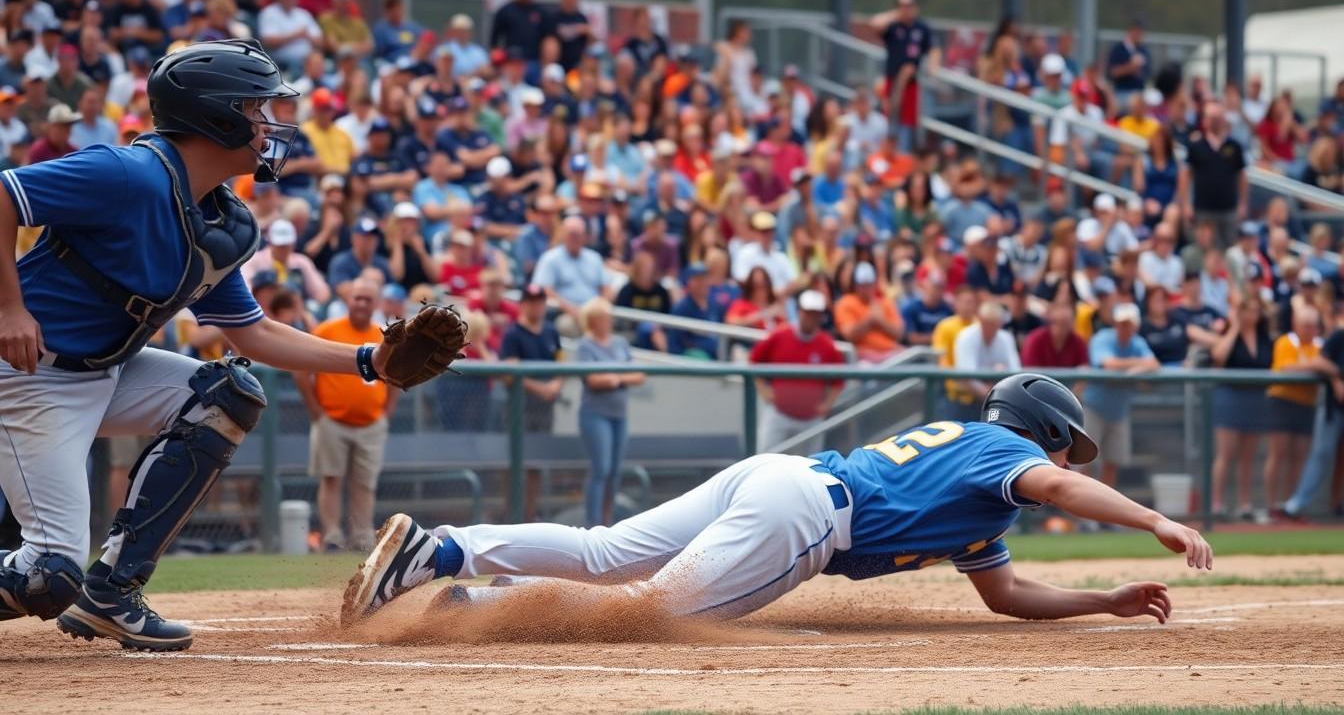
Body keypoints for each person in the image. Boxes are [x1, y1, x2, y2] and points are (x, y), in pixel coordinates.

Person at [0, 40, 459, 652]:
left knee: (226, 392)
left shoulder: (224, 220)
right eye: (256, 107)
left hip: (98, 372)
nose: (271, 124)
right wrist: (9, 306)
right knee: (46, 576)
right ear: (213, 114)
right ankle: (75, 584)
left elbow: (253, 332)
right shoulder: (127, 172)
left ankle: (112, 593)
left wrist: (368, 362)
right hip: (26, 377)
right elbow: (4, 194)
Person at [343, 373, 1213, 629]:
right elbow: (1056, 480)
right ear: (1038, 427)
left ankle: (443, 551)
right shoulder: (1010, 452)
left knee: (608, 551)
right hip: (807, 516)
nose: (1063, 456)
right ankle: (471, 602)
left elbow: (1007, 595)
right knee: (650, 612)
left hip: (782, 478)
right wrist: (1156, 520)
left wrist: (1106, 600)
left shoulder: (977, 487)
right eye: (1062, 438)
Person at [293, 278, 397, 552]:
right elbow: (301, 369)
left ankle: (362, 537)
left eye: (367, 299)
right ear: (348, 300)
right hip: (331, 419)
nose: (362, 303)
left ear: (376, 304)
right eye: (357, 298)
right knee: (331, 478)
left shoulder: (384, 335)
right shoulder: (327, 329)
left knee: (365, 483)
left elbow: (398, 375)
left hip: (372, 422)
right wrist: (315, 411)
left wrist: (387, 412)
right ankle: (332, 537)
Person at [749, 290, 845, 454]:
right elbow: (754, 361)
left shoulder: (827, 345)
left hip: (810, 418)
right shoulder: (780, 335)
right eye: (808, 313)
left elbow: (839, 378)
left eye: (815, 314)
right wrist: (764, 390)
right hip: (779, 413)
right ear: (799, 311)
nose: (811, 318)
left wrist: (828, 403)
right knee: (764, 462)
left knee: (811, 467)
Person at [576, 297, 642, 528]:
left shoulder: (620, 343)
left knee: (614, 471)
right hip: (595, 413)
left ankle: (607, 521)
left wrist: (614, 378)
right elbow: (593, 380)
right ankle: (593, 524)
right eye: (602, 318)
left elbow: (639, 375)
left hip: (619, 414)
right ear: (592, 321)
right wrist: (619, 377)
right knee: (601, 468)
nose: (607, 322)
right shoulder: (585, 345)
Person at [500, 284, 562, 521]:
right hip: (520, 407)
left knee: (538, 462)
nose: (535, 305)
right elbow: (508, 371)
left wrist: (555, 385)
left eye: (539, 300)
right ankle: (511, 513)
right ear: (523, 303)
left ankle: (529, 514)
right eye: (531, 300)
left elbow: (560, 362)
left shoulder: (551, 332)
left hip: (545, 408)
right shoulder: (513, 333)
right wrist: (542, 388)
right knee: (515, 462)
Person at [1083, 302, 1159, 489]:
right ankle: (1084, 516)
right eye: (1121, 323)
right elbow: (1108, 364)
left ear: (1135, 325)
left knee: (1112, 462)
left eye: (1128, 323)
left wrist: (1135, 367)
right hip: (1094, 409)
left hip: (1119, 412)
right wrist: (1136, 365)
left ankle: (1103, 513)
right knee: (1085, 461)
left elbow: (1154, 364)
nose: (1124, 327)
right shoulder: (1102, 338)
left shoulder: (1138, 342)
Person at [1264, 306, 1328, 521]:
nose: (1309, 330)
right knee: (1278, 454)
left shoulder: (1319, 345)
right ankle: (1270, 506)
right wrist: (1314, 365)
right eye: (1305, 325)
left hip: (1306, 404)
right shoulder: (1286, 342)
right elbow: (1287, 368)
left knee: (1299, 458)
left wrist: (1313, 366)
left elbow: (1325, 365)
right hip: (1282, 401)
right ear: (1296, 325)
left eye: (1313, 326)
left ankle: (1291, 507)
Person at [1285, 322, 1344, 519]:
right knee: (1321, 454)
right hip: (1333, 409)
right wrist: (1337, 377)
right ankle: (1295, 505)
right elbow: (1319, 361)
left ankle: (1337, 504)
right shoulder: (1339, 336)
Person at [870, 0, 938, 151]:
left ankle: (903, 155)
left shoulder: (921, 28)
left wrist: (933, 68)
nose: (905, 10)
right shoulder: (894, 26)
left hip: (910, 84)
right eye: (902, 6)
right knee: (888, 119)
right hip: (891, 81)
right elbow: (875, 23)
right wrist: (897, 13)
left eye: (908, 6)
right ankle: (888, 153)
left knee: (906, 125)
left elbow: (933, 48)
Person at [1178, 102, 1248, 249]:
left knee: (1229, 250)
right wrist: (1186, 204)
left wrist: (1242, 203)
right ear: (1205, 120)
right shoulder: (1196, 145)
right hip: (1203, 209)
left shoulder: (1234, 146)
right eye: (1211, 117)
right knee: (1203, 249)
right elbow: (1185, 175)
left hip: (1228, 209)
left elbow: (1241, 176)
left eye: (1218, 117)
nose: (1215, 121)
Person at [834, 262, 903, 362]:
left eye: (869, 284)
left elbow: (899, 333)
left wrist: (880, 321)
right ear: (856, 285)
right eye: (862, 285)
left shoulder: (885, 303)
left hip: (891, 353)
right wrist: (870, 320)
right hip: (862, 357)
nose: (866, 289)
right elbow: (849, 334)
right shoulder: (846, 303)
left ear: (875, 284)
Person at [953, 301, 1021, 403]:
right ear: (980, 320)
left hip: (998, 398)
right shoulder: (966, 336)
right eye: (986, 323)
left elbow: (1015, 370)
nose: (989, 327)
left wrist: (995, 391)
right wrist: (990, 392)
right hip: (965, 400)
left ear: (1000, 323)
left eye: (993, 324)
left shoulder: (1007, 338)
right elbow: (967, 376)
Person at [257, 0, 322, 75]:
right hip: (281, 64)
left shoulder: (304, 14)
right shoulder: (269, 13)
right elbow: (268, 41)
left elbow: (319, 41)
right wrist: (296, 35)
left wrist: (307, 36)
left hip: (308, 61)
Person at [932, 284, 981, 421]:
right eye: (964, 302)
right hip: (954, 395)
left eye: (970, 302)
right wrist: (960, 381)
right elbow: (941, 360)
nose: (967, 306)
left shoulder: (981, 325)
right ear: (956, 304)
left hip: (980, 394)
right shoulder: (945, 326)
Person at [1021, 302, 1089, 369]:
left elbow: (1084, 372)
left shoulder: (1079, 342)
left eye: (1065, 324)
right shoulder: (1035, 340)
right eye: (1057, 323)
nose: (1061, 328)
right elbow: (1030, 372)